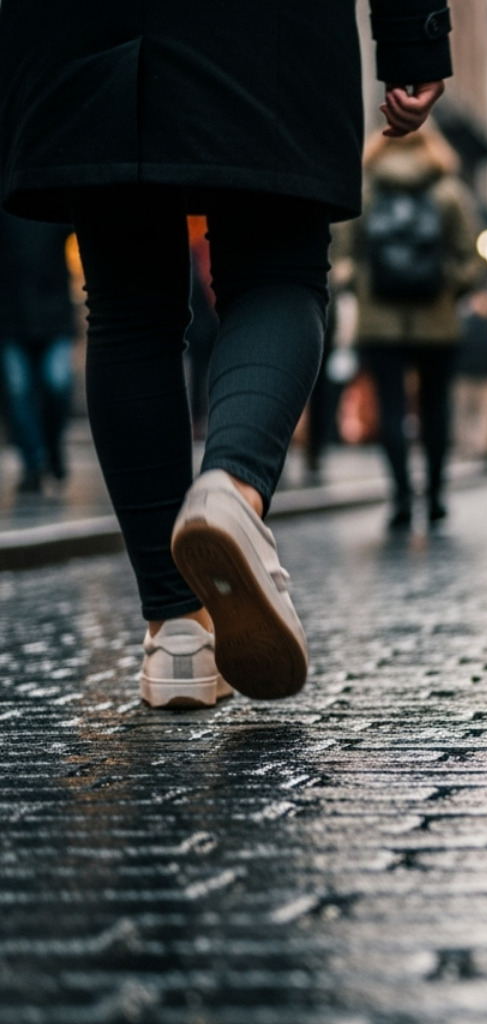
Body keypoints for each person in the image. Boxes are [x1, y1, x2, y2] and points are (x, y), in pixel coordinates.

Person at [0, 0, 450, 707]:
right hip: (261, 28)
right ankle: (232, 488)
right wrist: (413, 37)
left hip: (82, 31)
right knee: (277, 274)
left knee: (126, 310)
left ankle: (175, 633)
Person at [335, 129, 479, 531]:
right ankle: (434, 497)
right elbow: (472, 262)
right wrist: (447, 283)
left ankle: (400, 497)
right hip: (438, 320)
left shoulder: (364, 193)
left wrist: (363, 284)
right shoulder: (450, 192)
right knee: (435, 409)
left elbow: (342, 259)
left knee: (392, 410)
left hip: (378, 321)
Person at [0, 210, 76, 495]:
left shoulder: (49, 201)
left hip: (53, 316)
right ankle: (33, 464)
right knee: (19, 393)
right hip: (10, 319)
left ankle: (52, 446)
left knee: (58, 385)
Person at [455, 289, 487, 469]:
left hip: (482, 376)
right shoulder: (477, 324)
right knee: (471, 413)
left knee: (482, 413)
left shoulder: (485, 324)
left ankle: (480, 446)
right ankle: (472, 446)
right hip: (470, 375)